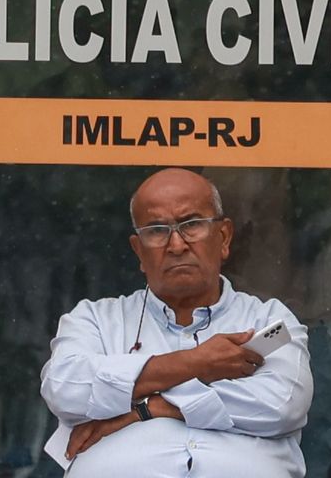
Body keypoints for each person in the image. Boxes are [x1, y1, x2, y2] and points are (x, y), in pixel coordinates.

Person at [39, 168, 313, 476]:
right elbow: (65, 389)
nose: (177, 245)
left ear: (223, 237)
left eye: (191, 224)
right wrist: (196, 363)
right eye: (157, 229)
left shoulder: (270, 321)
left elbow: (281, 405)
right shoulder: (96, 319)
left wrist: (146, 408)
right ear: (138, 251)